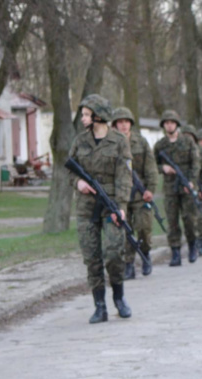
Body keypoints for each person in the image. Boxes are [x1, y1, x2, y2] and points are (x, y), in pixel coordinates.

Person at [67, 94, 133, 324]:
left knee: (114, 253)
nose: (83, 118)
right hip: (86, 207)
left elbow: (125, 176)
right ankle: (100, 306)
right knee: (92, 258)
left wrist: (122, 206)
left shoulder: (119, 141)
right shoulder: (80, 141)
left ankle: (119, 298)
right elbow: (69, 169)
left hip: (111, 204)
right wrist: (78, 183)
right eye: (83, 114)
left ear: (98, 115)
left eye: (87, 114)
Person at [111, 107, 158, 279]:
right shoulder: (111, 144)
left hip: (140, 193)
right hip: (120, 194)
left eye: (126, 122)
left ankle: (146, 256)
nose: (123, 125)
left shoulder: (141, 142)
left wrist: (150, 189)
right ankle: (128, 263)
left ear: (130, 123)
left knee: (144, 228)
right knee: (125, 230)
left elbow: (151, 167)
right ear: (115, 124)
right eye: (120, 122)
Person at [154, 110, 200, 266]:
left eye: (172, 122)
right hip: (170, 187)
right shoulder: (160, 145)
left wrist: (192, 181)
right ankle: (175, 253)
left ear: (177, 124)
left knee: (189, 219)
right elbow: (153, 165)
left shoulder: (188, 142)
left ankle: (193, 246)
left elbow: (196, 163)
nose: (169, 125)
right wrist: (163, 169)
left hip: (186, 184)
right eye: (166, 123)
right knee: (172, 221)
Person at [181, 124, 202, 257]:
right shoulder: (180, 150)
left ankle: (201, 241)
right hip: (184, 187)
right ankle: (193, 243)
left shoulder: (201, 151)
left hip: (197, 186)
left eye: (190, 136)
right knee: (188, 218)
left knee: (200, 216)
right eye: (185, 136)